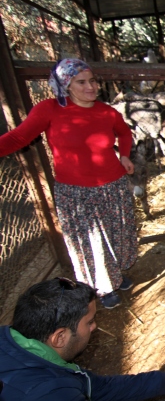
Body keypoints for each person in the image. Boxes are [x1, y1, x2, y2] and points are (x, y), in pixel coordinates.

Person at [0, 58, 138, 309]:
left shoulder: (106, 111)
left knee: (117, 232)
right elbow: (19, 137)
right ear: (65, 85)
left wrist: (125, 155)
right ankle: (102, 287)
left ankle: (115, 274)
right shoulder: (49, 109)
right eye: (81, 82)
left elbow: (125, 132)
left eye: (92, 81)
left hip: (113, 185)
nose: (91, 87)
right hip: (75, 192)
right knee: (91, 241)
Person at [0, 278, 165, 401]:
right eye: (89, 322)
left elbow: (100, 389)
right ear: (59, 337)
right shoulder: (49, 396)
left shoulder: (21, 344)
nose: (95, 327)